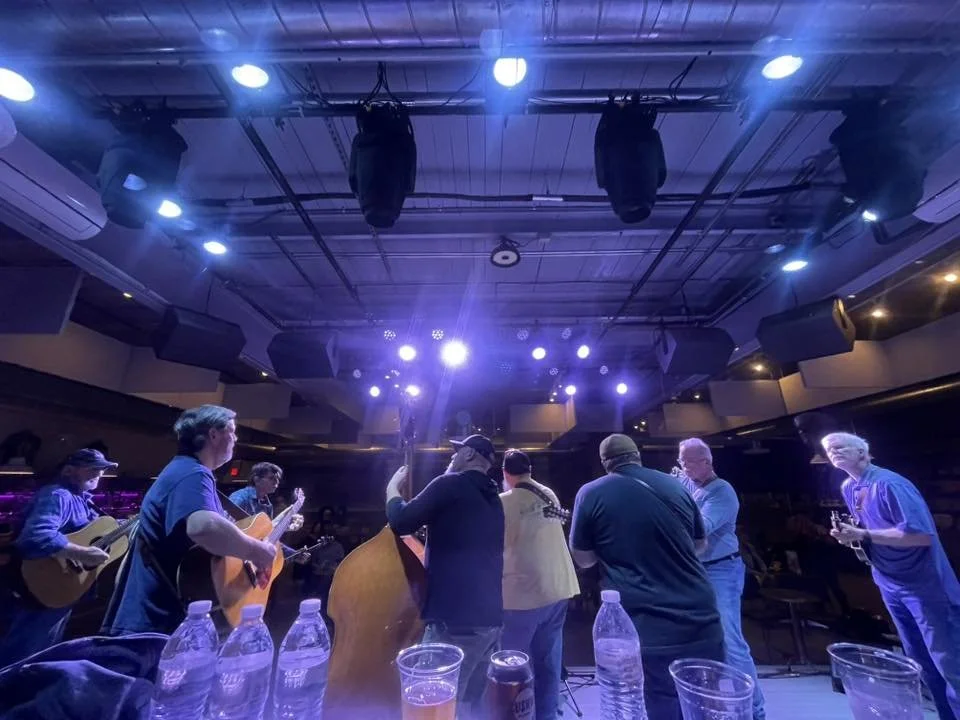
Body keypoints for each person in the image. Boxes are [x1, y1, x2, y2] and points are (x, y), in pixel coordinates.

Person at [569, 434, 723, 720]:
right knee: (705, 704)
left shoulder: (590, 492)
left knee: (658, 704)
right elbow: (699, 545)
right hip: (702, 617)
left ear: (605, 463)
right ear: (637, 455)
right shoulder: (676, 486)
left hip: (646, 623)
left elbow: (583, 558)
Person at [103, 405, 276, 635]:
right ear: (214, 434)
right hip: (152, 624)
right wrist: (257, 551)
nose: (235, 439)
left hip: (158, 620)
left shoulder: (186, 471)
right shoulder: (193, 473)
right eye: (232, 432)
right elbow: (203, 527)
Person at [823, 432, 960, 720]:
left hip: (925, 586)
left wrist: (864, 533)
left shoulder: (890, 484)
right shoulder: (849, 486)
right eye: (828, 449)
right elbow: (871, 533)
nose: (833, 452)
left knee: (949, 664)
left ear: (863, 452)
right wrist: (852, 537)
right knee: (921, 663)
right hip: (890, 582)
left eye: (840, 447)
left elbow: (920, 535)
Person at [385, 434, 504, 719]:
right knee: (469, 706)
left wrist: (392, 487)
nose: (451, 457)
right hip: (490, 621)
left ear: (471, 455)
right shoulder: (492, 496)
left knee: (432, 704)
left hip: (455, 621)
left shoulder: (450, 484)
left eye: (456, 451)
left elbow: (401, 521)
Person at [0, 449, 118, 667]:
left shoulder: (83, 499)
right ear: (69, 471)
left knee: (42, 652)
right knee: (21, 656)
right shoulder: (57, 495)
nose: (98, 474)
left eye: (101, 469)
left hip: (59, 589)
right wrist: (81, 553)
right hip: (37, 588)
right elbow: (37, 535)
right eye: (91, 468)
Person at [676, 438, 765, 720]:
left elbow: (700, 529)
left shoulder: (721, 491)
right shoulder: (690, 484)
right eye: (682, 461)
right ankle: (711, 703)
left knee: (731, 642)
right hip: (696, 570)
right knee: (701, 639)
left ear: (707, 461)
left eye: (690, 462)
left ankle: (754, 711)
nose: (685, 467)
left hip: (720, 570)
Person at [499, 449, 579, 720]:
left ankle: (516, 715)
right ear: (530, 469)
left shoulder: (504, 501)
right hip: (559, 589)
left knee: (514, 664)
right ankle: (547, 715)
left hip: (523, 596)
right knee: (548, 661)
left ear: (504, 473)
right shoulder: (548, 493)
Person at [228, 461, 305, 556]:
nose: (276, 482)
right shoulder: (241, 497)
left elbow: (266, 538)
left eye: (277, 479)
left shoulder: (268, 506)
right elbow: (225, 526)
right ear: (256, 479)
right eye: (272, 478)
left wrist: (293, 554)